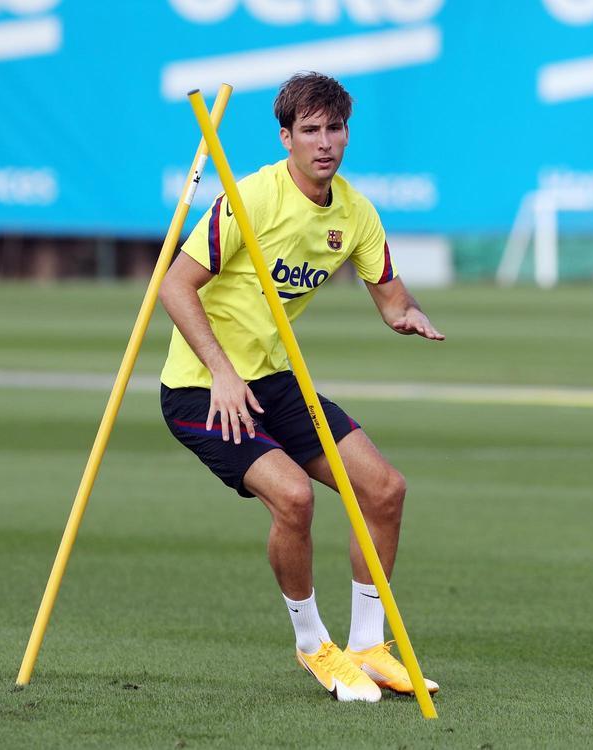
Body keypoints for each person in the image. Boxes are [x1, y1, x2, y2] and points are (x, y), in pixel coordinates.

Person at [158, 72, 443, 703]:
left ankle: (369, 646)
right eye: (309, 130)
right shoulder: (249, 196)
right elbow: (173, 287)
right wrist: (222, 374)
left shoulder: (356, 212)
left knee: (384, 489)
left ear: (346, 134)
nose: (324, 143)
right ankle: (314, 645)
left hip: (275, 380)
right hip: (200, 387)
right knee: (293, 498)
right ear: (286, 136)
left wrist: (407, 315)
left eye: (334, 129)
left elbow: (393, 296)